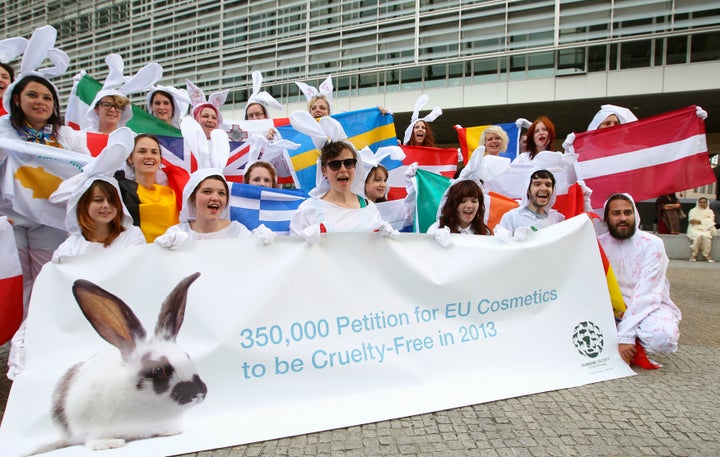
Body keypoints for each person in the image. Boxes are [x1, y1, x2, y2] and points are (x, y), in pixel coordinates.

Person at [598, 193, 681, 367]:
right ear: (606, 218)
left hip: (649, 306)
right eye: (616, 213)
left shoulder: (652, 243)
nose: (622, 218)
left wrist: (626, 336)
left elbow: (647, 293)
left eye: (627, 213)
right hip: (611, 309)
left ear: (635, 214)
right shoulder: (599, 244)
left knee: (662, 338)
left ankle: (630, 340)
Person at [114, 134, 179, 242]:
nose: (149, 156)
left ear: (160, 159)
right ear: (130, 159)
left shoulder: (172, 193)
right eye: (142, 151)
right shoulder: (120, 191)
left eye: (154, 152)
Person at [158, 171, 254, 242]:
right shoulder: (177, 233)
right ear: (192, 197)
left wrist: (261, 247)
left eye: (221, 193)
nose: (215, 198)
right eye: (207, 191)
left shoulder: (238, 232)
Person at [497, 169, 564, 237]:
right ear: (528, 190)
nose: (544, 188)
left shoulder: (556, 218)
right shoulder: (512, 218)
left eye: (548, 185)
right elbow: (502, 245)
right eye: (537, 184)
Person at [687, 196, 716, 262]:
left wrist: (699, 221)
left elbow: (711, 221)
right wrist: (704, 221)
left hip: (706, 229)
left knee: (706, 237)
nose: (702, 203)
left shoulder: (710, 211)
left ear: (707, 203)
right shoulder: (693, 210)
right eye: (701, 202)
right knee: (698, 236)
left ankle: (706, 254)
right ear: (698, 203)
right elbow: (692, 221)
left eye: (704, 202)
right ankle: (694, 254)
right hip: (694, 229)